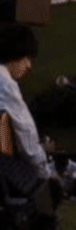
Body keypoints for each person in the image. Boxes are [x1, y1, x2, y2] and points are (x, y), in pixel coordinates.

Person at [0, 23, 51, 180]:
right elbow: (27, 135)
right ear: (17, 52)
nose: (29, 66)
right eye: (28, 59)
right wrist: (46, 173)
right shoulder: (6, 84)